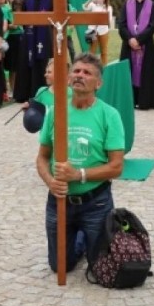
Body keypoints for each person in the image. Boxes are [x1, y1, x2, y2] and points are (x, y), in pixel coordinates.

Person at [35, 52, 124, 273]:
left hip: (96, 202)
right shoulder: (56, 113)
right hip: (59, 200)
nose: (79, 75)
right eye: (76, 71)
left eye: (87, 73)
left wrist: (78, 175)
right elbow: (42, 156)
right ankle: (80, 237)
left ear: (99, 83)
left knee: (99, 267)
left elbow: (116, 167)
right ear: (67, 78)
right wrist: (50, 181)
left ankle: (86, 234)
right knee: (60, 267)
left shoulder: (109, 115)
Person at [118, 0, 154, 110]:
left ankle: (145, 101)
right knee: (128, 71)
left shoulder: (153, 5)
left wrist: (139, 40)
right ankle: (129, 100)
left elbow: (153, 26)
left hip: (146, 44)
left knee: (146, 73)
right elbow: (122, 24)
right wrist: (130, 39)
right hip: (128, 45)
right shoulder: (127, 4)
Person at [14, 0, 53, 103]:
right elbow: (22, 18)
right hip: (29, 36)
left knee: (41, 65)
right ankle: (24, 94)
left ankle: (41, 93)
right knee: (26, 63)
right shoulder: (27, 0)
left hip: (44, 37)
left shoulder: (50, 0)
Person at [82, 0, 114, 65]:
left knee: (104, 52)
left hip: (103, 31)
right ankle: (90, 67)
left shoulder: (108, 7)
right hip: (93, 31)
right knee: (92, 51)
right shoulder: (92, 5)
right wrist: (89, 0)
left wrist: (103, 7)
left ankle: (104, 68)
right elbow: (84, 7)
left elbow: (108, 19)